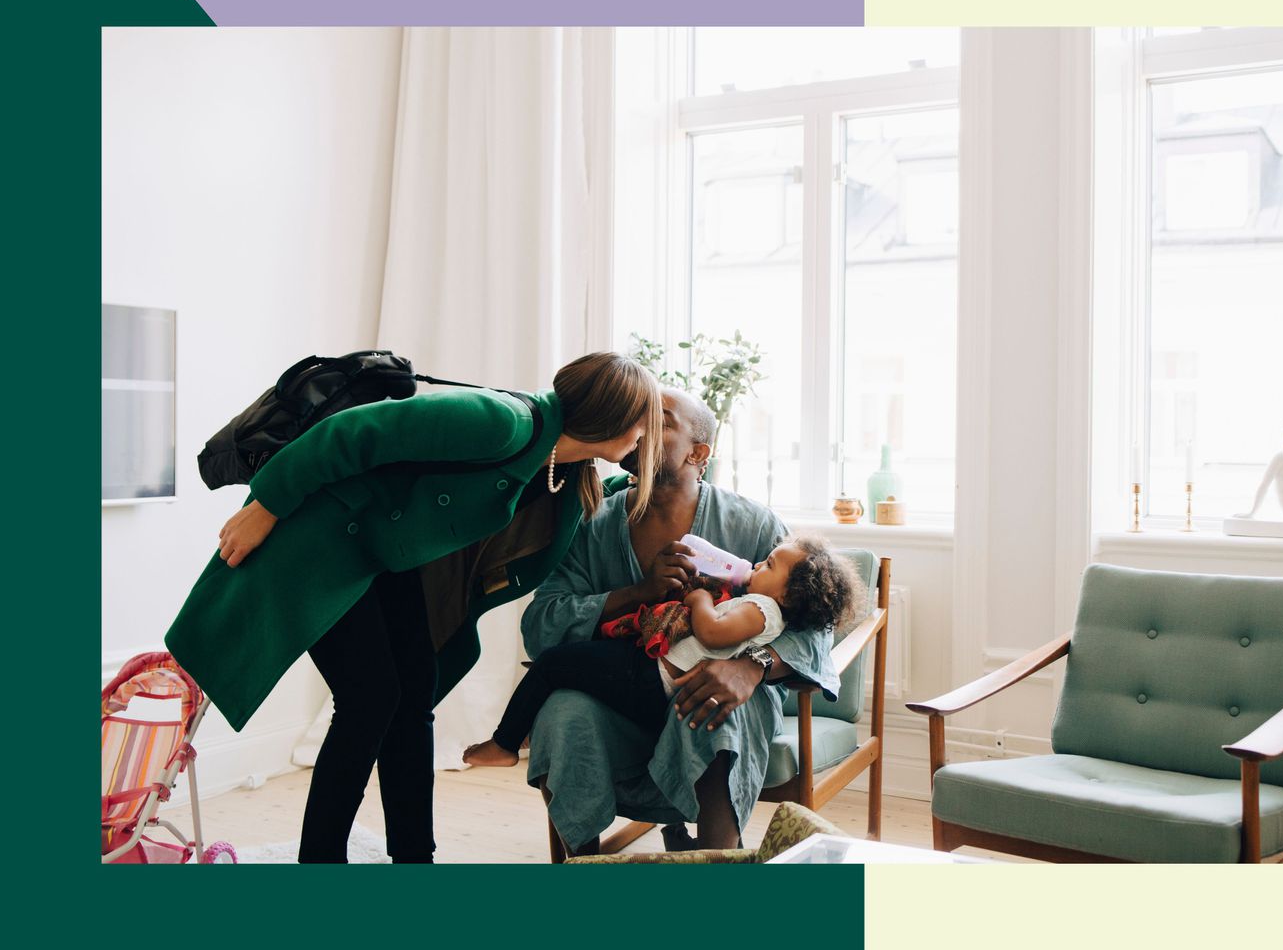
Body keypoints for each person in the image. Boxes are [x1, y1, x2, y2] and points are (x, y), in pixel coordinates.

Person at [164, 352, 663, 863]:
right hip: (323, 541)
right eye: (646, 421)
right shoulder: (502, 423)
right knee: (370, 700)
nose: (649, 434)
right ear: (614, 417)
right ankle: (320, 859)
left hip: (380, 557)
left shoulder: (564, 465)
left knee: (411, 697)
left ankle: (413, 857)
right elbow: (348, 433)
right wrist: (264, 506)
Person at [519, 387, 842, 852]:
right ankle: (585, 870)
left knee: (714, 701)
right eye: (638, 415)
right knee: (564, 710)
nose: (641, 425)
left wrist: (752, 667)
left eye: (661, 419)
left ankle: (716, 873)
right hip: (624, 700)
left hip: (717, 702)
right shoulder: (592, 527)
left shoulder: (754, 526)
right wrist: (636, 594)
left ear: (698, 452)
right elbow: (540, 624)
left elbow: (817, 630)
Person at [463, 535, 860, 768]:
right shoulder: (759, 604)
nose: (757, 563)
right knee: (573, 667)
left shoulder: (761, 609)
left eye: (769, 564)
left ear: (788, 594)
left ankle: (505, 743)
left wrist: (700, 598)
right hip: (653, 675)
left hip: (652, 679)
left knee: (553, 664)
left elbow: (714, 633)